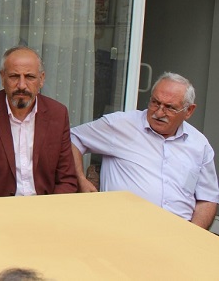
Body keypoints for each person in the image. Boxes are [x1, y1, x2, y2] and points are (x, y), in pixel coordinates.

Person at [70, 72, 219, 229]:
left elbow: (207, 198)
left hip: (178, 234)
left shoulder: (199, 144)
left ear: (189, 111)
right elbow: (73, 138)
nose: (159, 113)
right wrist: (81, 180)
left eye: (169, 107)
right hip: (123, 229)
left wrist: (192, 235)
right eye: (155, 102)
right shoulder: (121, 125)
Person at [0, 45, 77, 197]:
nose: (21, 85)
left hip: (45, 206)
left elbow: (67, 179)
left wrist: (49, 209)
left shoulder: (57, 114)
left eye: (30, 77)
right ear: (2, 77)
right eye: (14, 76)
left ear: (41, 79)